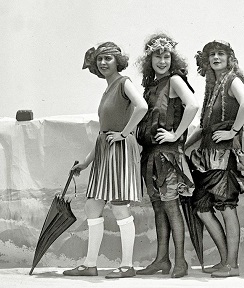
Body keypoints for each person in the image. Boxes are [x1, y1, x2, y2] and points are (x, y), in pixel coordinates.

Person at [63, 42, 148, 278]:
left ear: (117, 61)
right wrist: (86, 162)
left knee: (119, 206)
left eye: (108, 58)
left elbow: (142, 107)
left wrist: (125, 133)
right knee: (92, 205)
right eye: (99, 59)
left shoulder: (124, 83)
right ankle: (90, 264)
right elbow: (103, 132)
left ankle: (127, 265)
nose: (103, 63)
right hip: (105, 152)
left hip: (120, 151)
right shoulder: (108, 88)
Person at [185, 40, 244, 278]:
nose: (215, 57)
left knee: (226, 207)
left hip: (223, 155)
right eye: (211, 54)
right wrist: (181, 144)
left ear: (229, 57)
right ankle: (225, 259)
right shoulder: (213, 85)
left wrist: (233, 131)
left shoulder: (232, 80)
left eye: (220, 53)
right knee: (202, 208)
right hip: (205, 156)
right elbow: (205, 127)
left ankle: (232, 265)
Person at [135, 34, 199, 278]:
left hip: (168, 156)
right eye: (157, 56)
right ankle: (161, 260)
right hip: (150, 154)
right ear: (149, 59)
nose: (162, 61)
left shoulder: (174, 79)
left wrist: (176, 135)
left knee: (172, 208)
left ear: (173, 59)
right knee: (158, 209)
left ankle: (180, 261)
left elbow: (192, 105)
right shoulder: (151, 86)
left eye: (166, 56)